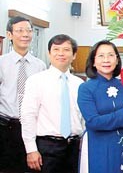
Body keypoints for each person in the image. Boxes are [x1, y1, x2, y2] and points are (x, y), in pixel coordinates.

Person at [21, 34, 85, 173]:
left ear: (74, 55)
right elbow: (28, 116)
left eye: (66, 50)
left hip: (74, 148)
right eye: (56, 49)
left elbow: (82, 117)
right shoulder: (36, 80)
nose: (61, 53)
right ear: (49, 54)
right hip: (47, 148)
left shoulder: (79, 84)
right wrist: (31, 149)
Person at [77, 40, 123, 173]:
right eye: (101, 56)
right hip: (97, 146)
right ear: (93, 61)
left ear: (117, 60)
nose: (106, 59)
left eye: (111, 55)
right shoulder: (86, 88)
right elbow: (94, 122)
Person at [0, 16, 46, 172]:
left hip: (32, 127)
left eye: (28, 30)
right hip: (5, 127)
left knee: (31, 168)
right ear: (10, 35)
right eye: (20, 30)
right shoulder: (1, 63)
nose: (25, 34)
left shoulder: (39, 65)